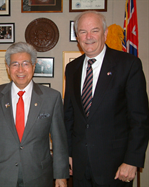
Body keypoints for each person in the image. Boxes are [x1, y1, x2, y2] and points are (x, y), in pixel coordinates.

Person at [64, 11, 149, 187]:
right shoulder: (72, 68)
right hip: (79, 166)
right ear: (77, 36)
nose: (88, 37)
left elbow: (139, 118)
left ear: (105, 33)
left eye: (94, 30)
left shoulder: (128, 64)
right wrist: (69, 153)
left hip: (116, 167)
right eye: (82, 31)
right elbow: (69, 116)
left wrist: (132, 161)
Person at [0, 42, 69, 187]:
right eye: (15, 64)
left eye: (26, 63)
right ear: (8, 68)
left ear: (34, 66)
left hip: (38, 175)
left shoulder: (52, 97)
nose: (20, 69)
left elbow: (59, 142)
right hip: (1, 175)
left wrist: (61, 175)